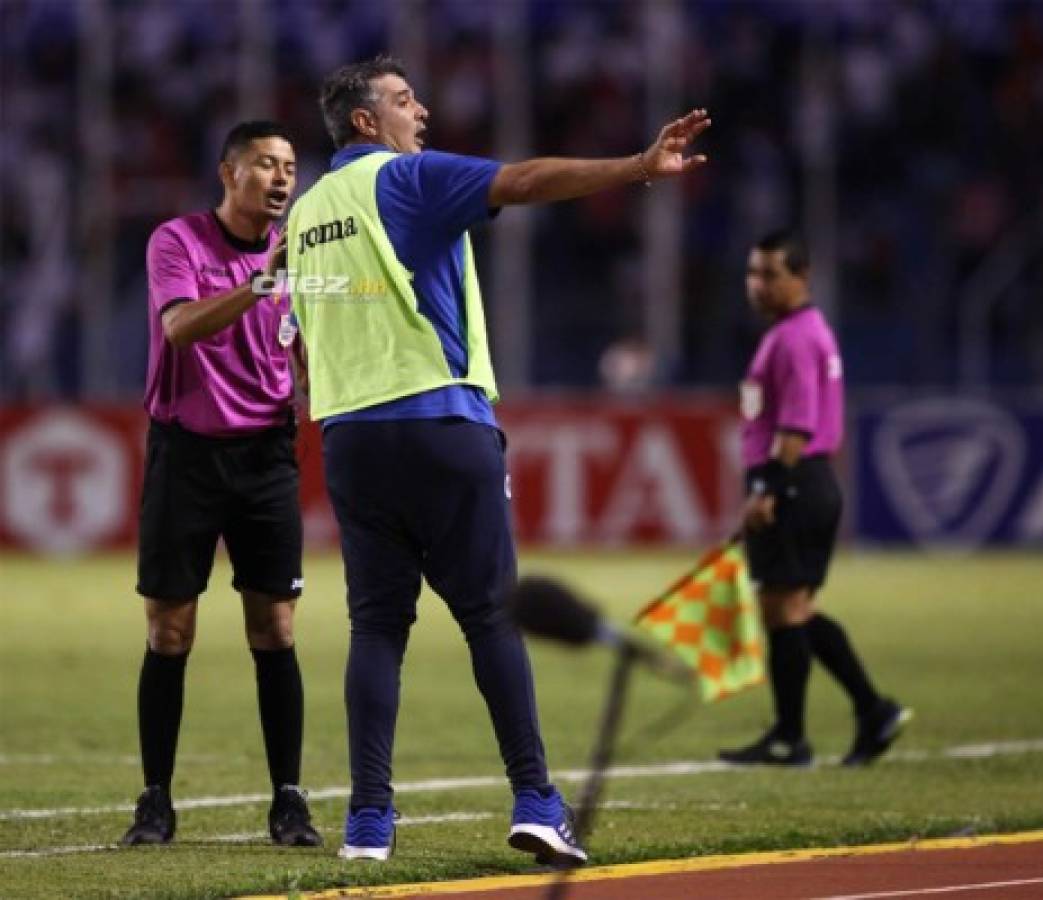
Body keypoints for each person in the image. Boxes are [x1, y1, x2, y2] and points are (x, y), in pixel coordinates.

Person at [283, 54, 708, 864]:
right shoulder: (403, 179)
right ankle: (536, 801)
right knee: (490, 615)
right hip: (441, 420)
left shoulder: (305, 216)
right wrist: (637, 166)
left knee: (376, 626)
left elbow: (302, 339)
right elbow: (524, 179)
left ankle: (367, 826)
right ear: (366, 122)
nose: (425, 113)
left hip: (348, 436)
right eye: (406, 101)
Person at [122, 121, 321, 848]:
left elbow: (297, 345)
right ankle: (154, 802)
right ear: (228, 172)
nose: (281, 178)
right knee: (169, 631)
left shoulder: (301, 254)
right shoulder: (177, 242)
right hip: (186, 454)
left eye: (290, 167)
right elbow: (178, 329)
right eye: (266, 164)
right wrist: (260, 281)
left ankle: (289, 802)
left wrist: (310, 373)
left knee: (274, 628)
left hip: (266, 455)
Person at [718, 231, 912, 768]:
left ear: (801, 277)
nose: (757, 285)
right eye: (752, 273)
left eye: (770, 275)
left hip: (796, 481)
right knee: (792, 610)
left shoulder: (794, 339)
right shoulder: (801, 331)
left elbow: (796, 428)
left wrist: (765, 492)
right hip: (806, 482)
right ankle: (861, 715)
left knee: (785, 609)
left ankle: (799, 733)